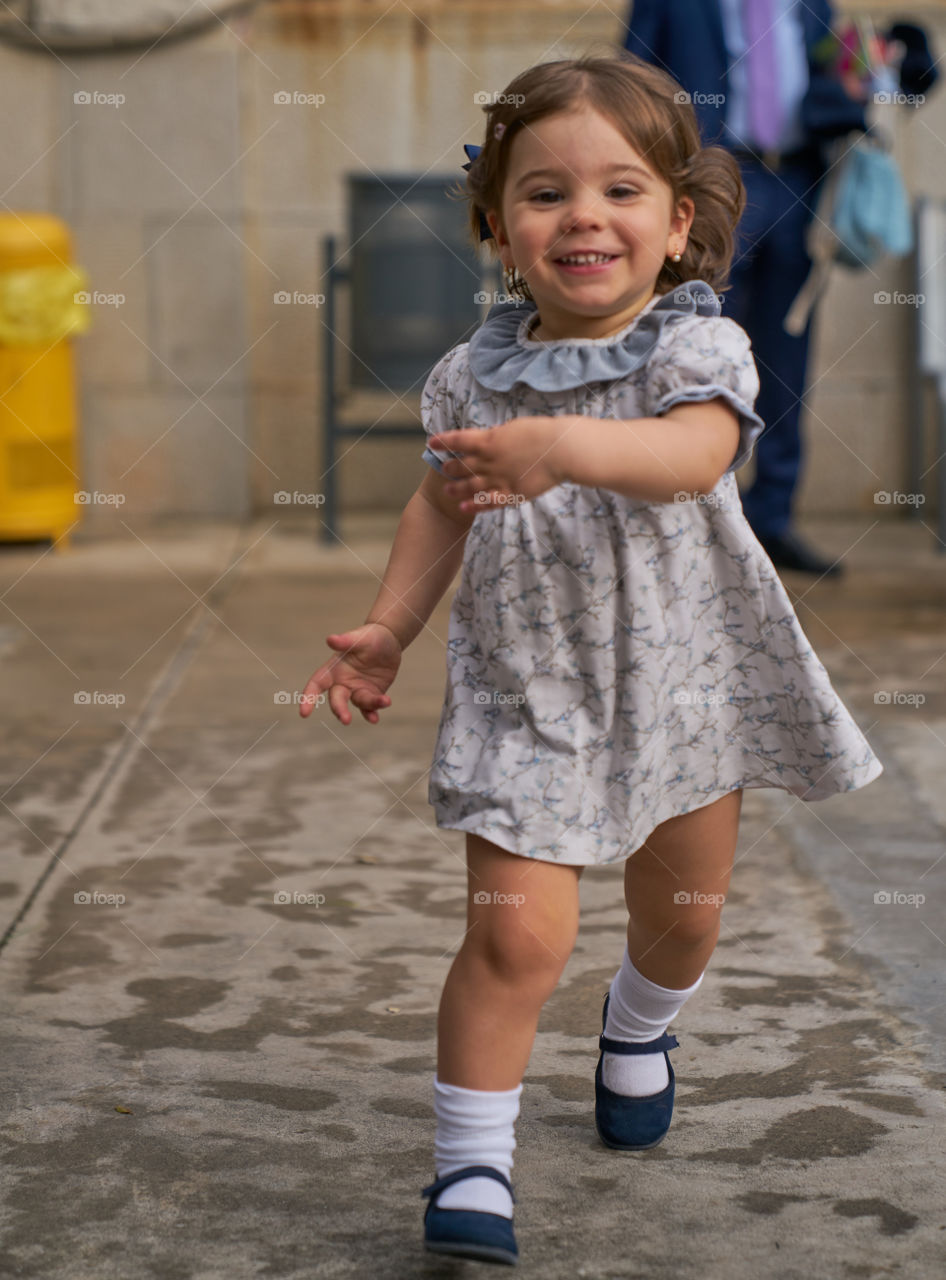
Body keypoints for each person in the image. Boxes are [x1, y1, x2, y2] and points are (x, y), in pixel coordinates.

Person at [299, 52, 884, 1267]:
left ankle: (638, 1022)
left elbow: (693, 462)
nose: (583, 217)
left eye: (621, 191)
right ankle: (471, 1163)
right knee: (515, 935)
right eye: (544, 192)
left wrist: (561, 444)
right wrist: (390, 627)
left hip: (684, 686)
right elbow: (438, 508)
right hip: (534, 689)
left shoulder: (696, 349)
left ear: (676, 226)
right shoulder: (471, 374)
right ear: (498, 227)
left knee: (682, 917)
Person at [624, 1, 936, 577]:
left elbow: (835, 74)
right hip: (713, 177)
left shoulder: (811, 4)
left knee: (786, 358)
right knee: (691, 349)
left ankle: (770, 522)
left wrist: (876, 71)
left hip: (799, 179)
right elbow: (630, 77)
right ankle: (686, 518)